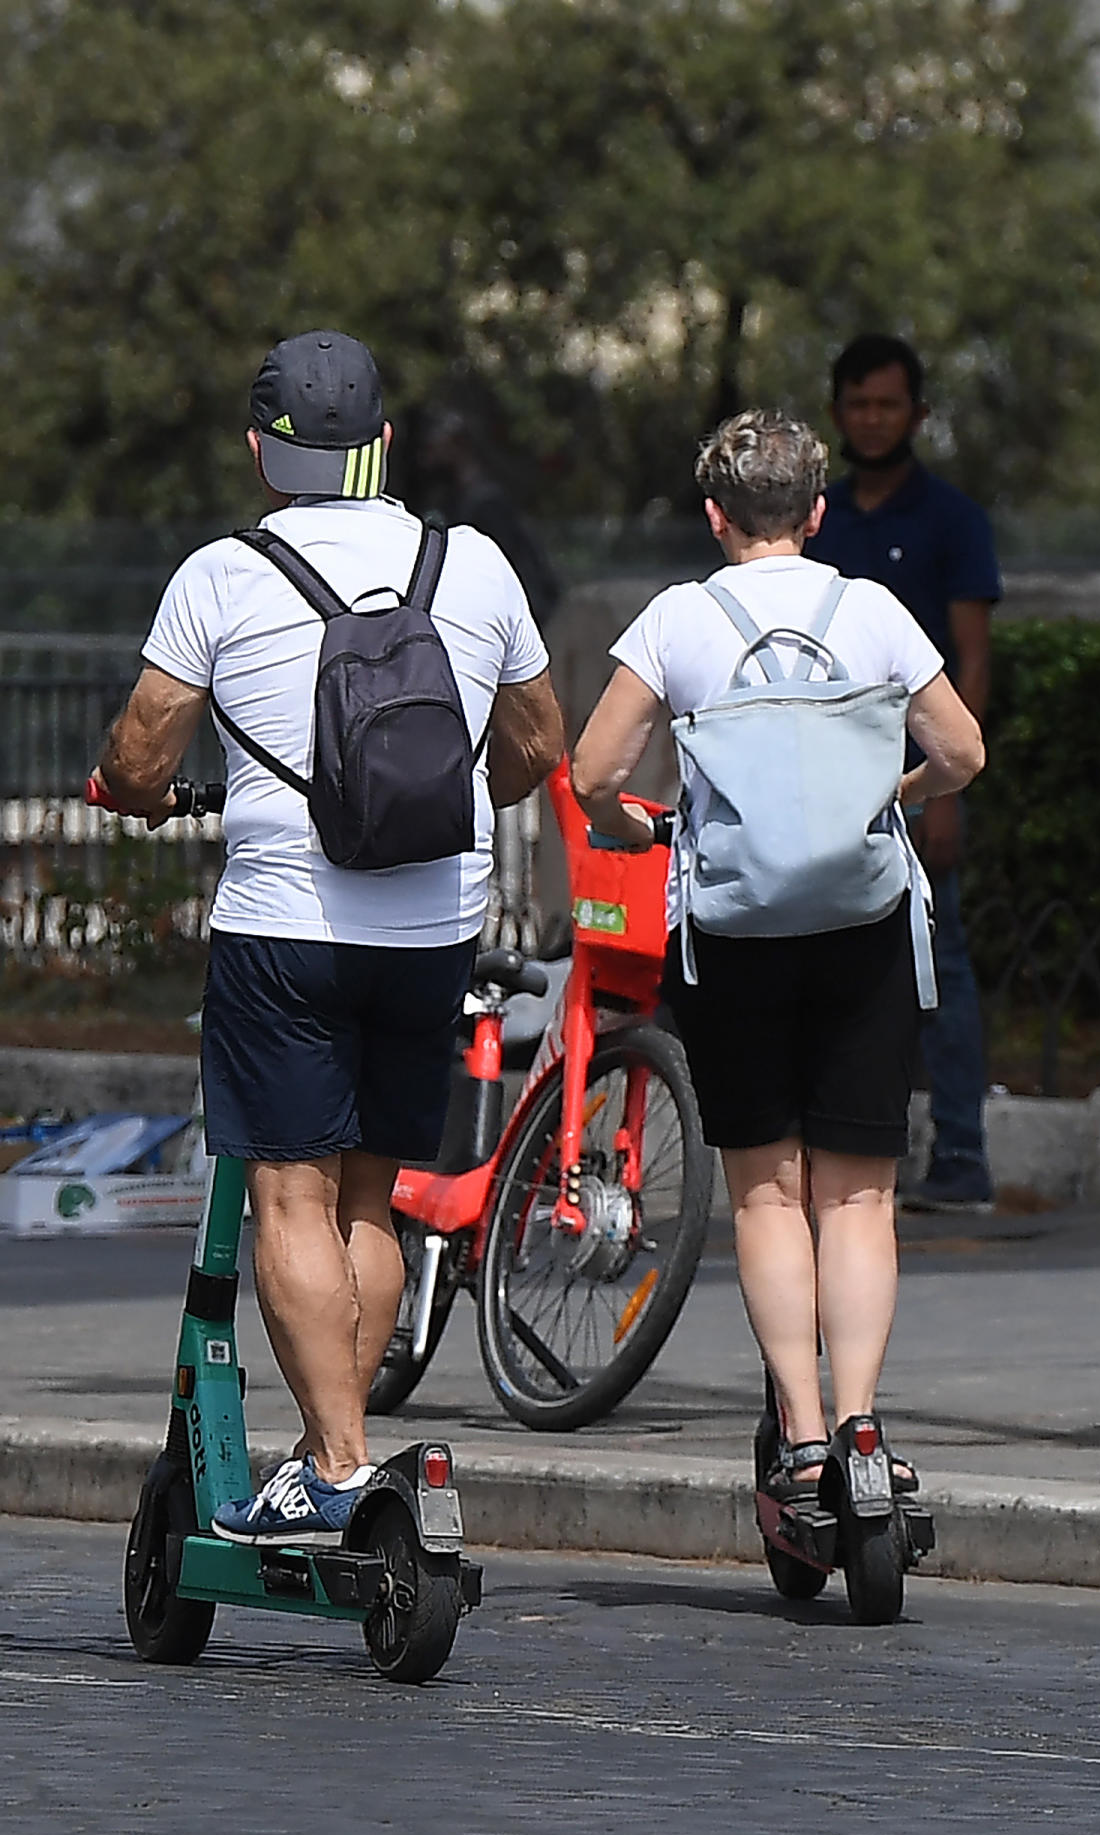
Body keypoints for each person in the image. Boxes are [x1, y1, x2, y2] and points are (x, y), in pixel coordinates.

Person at [90, 330, 565, 1542]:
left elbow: (142, 755)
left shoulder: (222, 575)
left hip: (285, 932)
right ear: (384, 443)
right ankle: (330, 1450)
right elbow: (536, 750)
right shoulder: (473, 566)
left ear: (262, 452)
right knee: (371, 1202)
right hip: (433, 932)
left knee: (287, 1202)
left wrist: (134, 792)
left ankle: (342, 1462)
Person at [573, 410, 987, 1510]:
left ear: (715, 515)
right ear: (816, 511)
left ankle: (800, 1437)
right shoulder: (875, 611)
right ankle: (861, 1426)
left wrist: (633, 825)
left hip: (735, 935)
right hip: (862, 927)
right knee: (859, 1196)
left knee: (767, 1193)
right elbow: (963, 751)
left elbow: (591, 769)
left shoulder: (677, 620)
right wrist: (895, 796)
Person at [805, 334, 1003, 1213]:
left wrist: (947, 785)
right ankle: (829, 1145)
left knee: (941, 963)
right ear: (838, 411)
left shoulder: (953, 520)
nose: (874, 420)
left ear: (917, 414)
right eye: (859, 404)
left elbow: (971, 657)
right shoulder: (820, 520)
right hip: (818, 774)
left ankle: (961, 1153)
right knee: (820, 960)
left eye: (889, 404)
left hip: (915, 776)